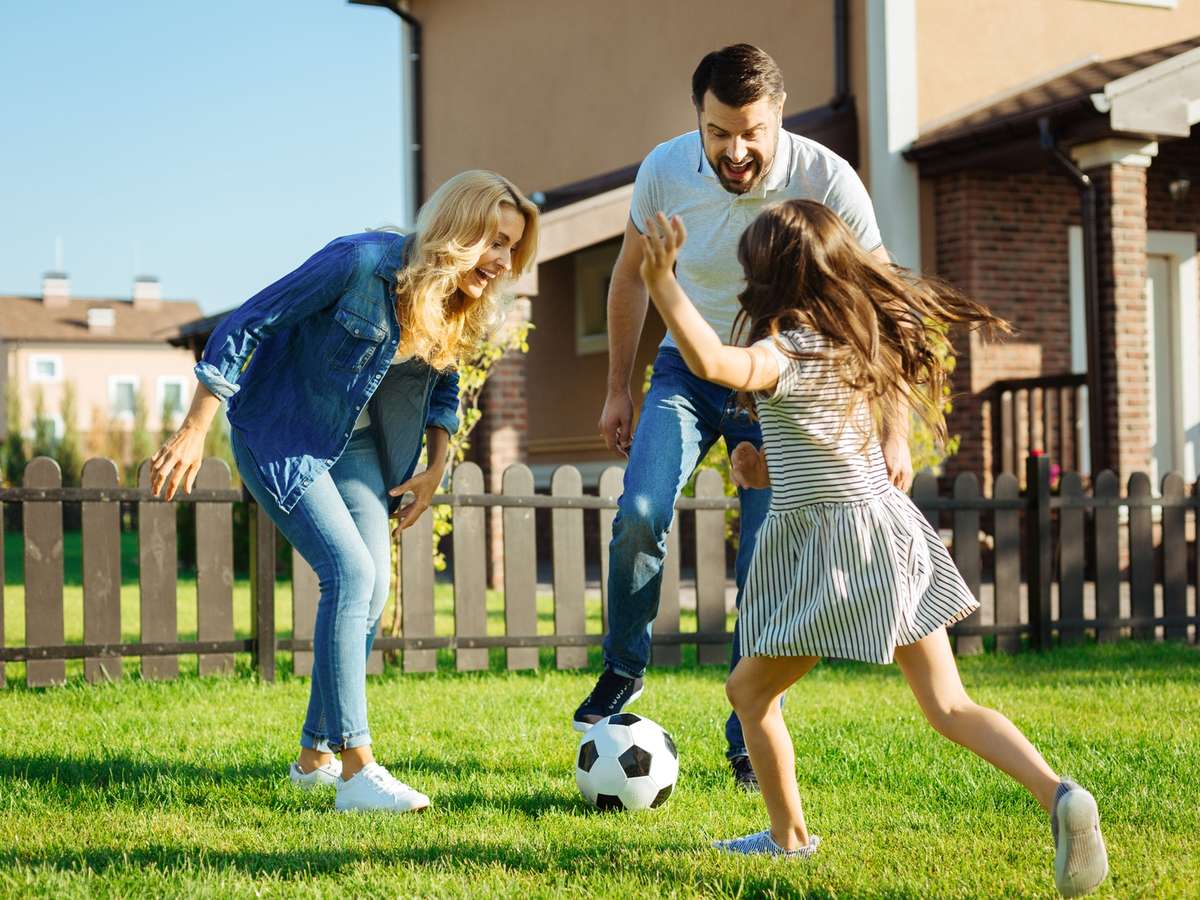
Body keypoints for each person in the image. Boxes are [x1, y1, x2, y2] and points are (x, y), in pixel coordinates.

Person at [637, 202, 1107, 898]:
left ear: (771, 279)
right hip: (889, 533)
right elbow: (833, 450)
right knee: (949, 706)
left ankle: (787, 839)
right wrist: (765, 471)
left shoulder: (786, 351)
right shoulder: (854, 348)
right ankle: (1060, 793)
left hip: (839, 557)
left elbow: (710, 360)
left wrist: (661, 281)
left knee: (747, 692)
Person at [149, 170, 539, 814]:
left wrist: (436, 466)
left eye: (510, 249)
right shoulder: (357, 262)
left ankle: (313, 761)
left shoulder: (454, 302)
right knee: (350, 575)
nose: (500, 261)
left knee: (372, 585)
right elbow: (250, 321)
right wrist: (196, 426)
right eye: (493, 241)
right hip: (285, 432)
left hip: (358, 449)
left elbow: (444, 382)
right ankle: (358, 770)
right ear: (455, 228)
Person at [574, 44, 897, 793]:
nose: (735, 148)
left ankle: (747, 734)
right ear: (700, 120)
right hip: (688, 370)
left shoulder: (827, 180)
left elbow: (880, 304)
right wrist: (618, 387)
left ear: (778, 115)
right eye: (719, 131)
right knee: (642, 511)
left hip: (775, 382)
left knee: (765, 557)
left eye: (751, 130)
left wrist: (890, 428)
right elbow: (628, 277)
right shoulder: (664, 170)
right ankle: (623, 670)